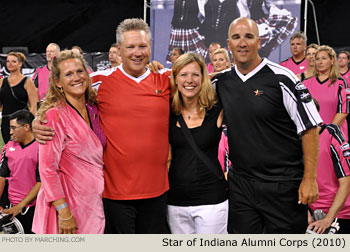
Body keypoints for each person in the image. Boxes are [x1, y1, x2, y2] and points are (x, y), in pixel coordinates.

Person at [34, 18, 171, 234]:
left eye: (142, 46)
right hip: (113, 196)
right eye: (130, 47)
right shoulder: (98, 81)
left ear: (150, 47)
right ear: (119, 49)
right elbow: (57, 99)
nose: (137, 52)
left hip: (157, 193)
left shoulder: (166, 79)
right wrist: (36, 122)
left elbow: (202, 86)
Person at [212, 17, 322, 233]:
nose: (242, 43)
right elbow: (188, 85)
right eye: (236, 37)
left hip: (283, 185)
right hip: (241, 185)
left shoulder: (283, 78)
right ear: (228, 44)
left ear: (259, 41)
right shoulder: (221, 82)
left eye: (248, 37)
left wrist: (310, 179)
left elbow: (310, 129)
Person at [31, 50, 105, 234]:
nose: (76, 78)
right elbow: (47, 169)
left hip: (92, 201)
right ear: (58, 82)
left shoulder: (94, 108)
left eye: (80, 71)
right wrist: (63, 212)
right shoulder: (54, 115)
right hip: (66, 206)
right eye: (68, 74)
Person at [167, 53, 227, 234]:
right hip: (176, 201)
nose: (189, 80)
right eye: (183, 75)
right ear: (175, 79)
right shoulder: (168, 110)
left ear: (203, 78)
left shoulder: (217, 109)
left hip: (212, 202)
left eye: (195, 75)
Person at [307, 99, 350, 234]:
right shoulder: (292, 139)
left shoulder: (331, 133)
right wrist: (305, 212)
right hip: (310, 212)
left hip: (339, 213)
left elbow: (346, 182)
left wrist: (328, 219)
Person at [0, 110, 40, 234]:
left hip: (35, 208)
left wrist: (20, 206)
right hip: (11, 207)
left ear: (26, 127)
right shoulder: (8, 147)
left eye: (13, 128)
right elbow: (2, 175)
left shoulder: (42, 148)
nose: (10, 132)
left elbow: (42, 181)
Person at [303, 45, 349, 140]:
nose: (320, 62)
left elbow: (343, 111)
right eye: (317, 59)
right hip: (312, 136)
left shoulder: (340, 83)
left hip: (335, 136)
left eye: (324, 58)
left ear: (332, 60)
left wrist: (328, 132)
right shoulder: (306, 83)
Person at [0, 52, 38, 143]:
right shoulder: (2, 82)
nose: (10, 63)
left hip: (21, 122)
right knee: (9, 149)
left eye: (13, 61)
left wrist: (29, 122)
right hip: (6, 122)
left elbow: (34, 105)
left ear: (20, 64)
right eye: (8, 61)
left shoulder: (27, 81)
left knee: (22, 149)